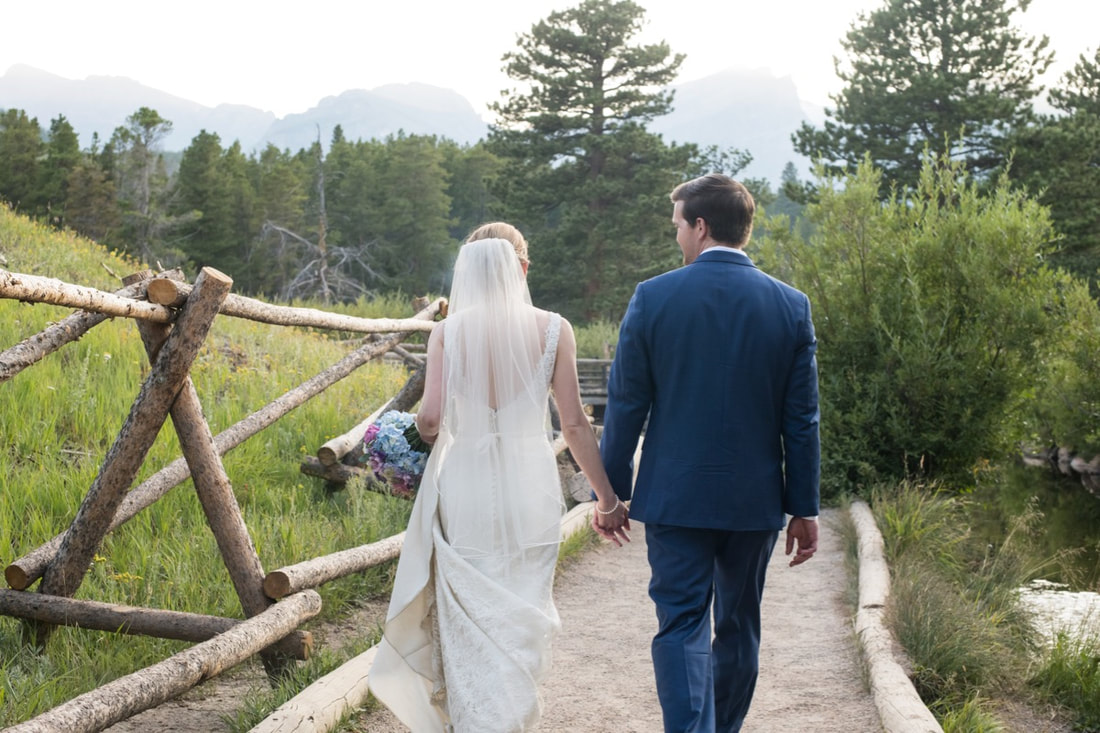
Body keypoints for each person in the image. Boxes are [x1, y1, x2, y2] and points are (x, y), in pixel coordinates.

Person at [368, 225, 629, 732]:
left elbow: (428, 420)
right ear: (522, 269)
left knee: (470, 618)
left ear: (468, 272)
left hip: (465, 486)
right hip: (529, 484)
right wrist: (606, 498)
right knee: (521, 610)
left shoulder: (448, 332)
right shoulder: (555, 328)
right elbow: (573, 424)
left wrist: (403, 440)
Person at [599, 174, 821, 733]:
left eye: (677, 224)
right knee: (740, 624)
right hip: (754, 500)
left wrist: (613, 494)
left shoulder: (653, 297)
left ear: (700, 226)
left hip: (675, 497)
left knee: (680, 625)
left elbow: (626, 405)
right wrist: (805, 507)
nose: (675, 235)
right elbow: (802, 420)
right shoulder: (791, 306)